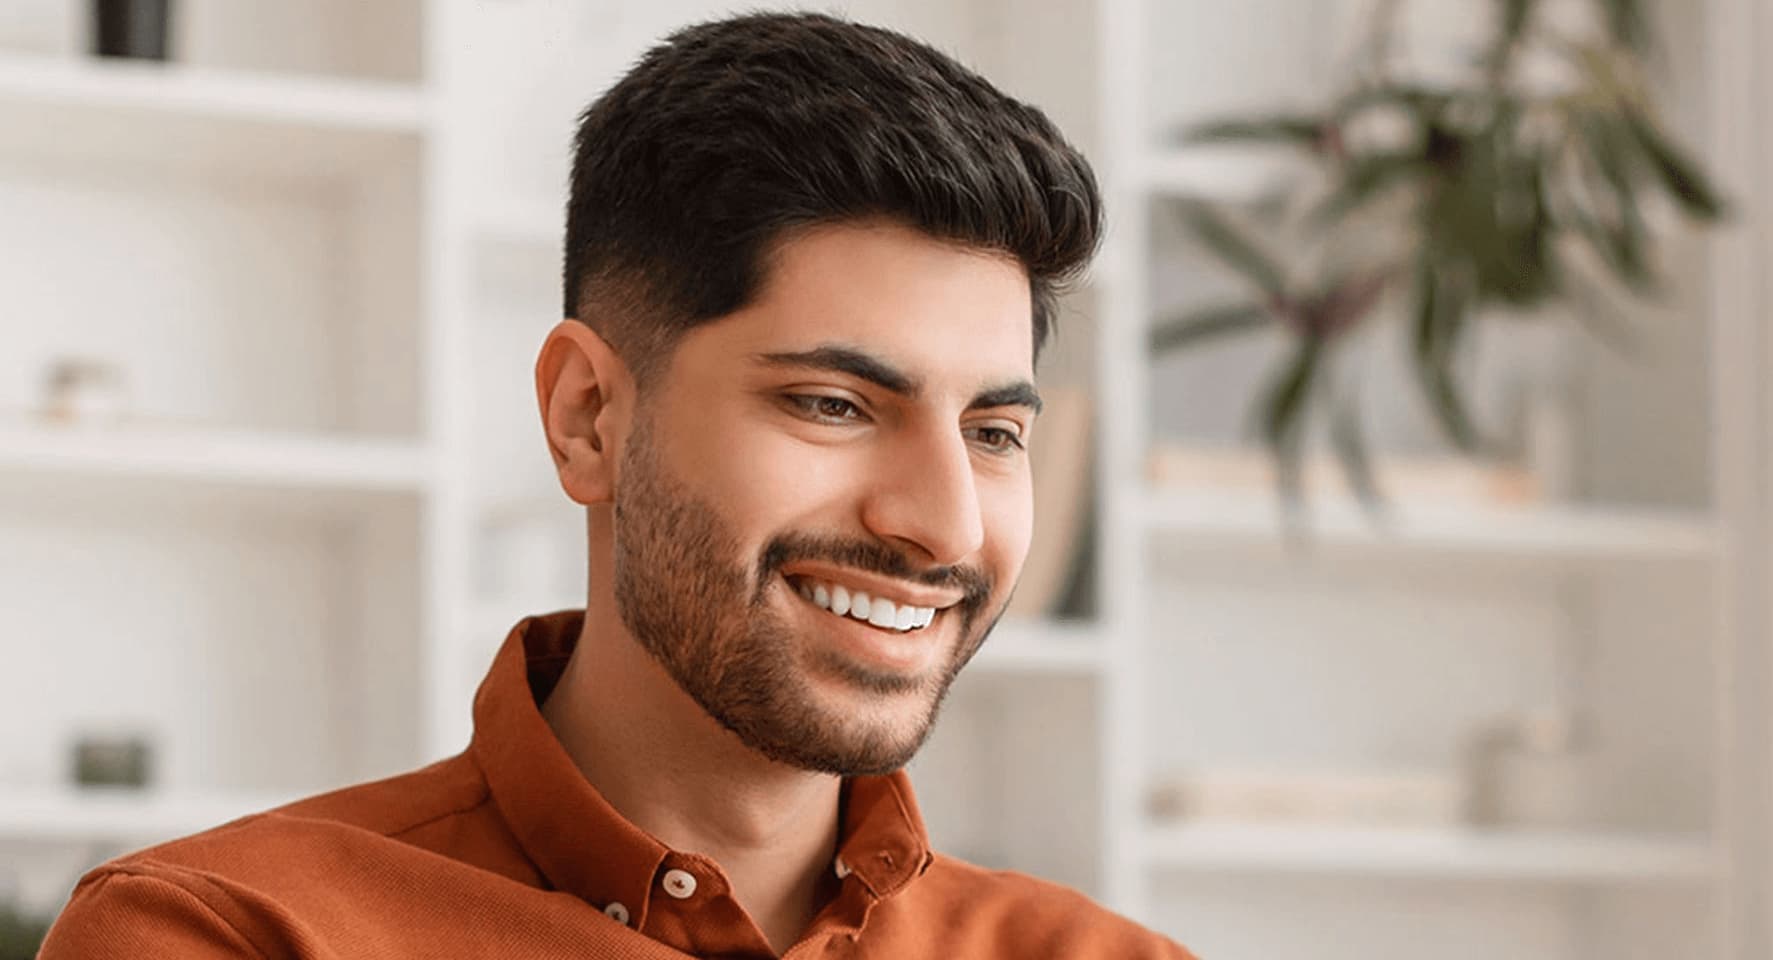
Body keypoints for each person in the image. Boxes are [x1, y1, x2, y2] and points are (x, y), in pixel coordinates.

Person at [39, 11, 1194, 959]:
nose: (941, 520)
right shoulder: (227, 934)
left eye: (994, 432)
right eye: (834, 406)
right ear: (586, 415)